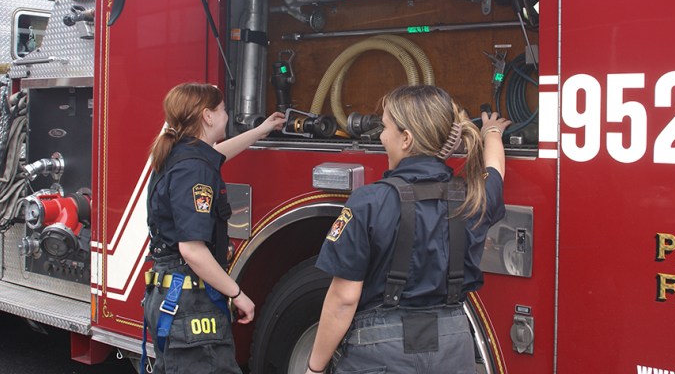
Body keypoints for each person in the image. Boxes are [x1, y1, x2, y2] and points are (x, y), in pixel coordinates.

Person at [305, 85, 510, 374]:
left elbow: (344, 299)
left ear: (406, 139)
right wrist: (491, 132)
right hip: (455, 349)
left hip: (382, 354)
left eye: (385, 126)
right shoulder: (475, 197)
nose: (380, 135)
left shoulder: (369, 202)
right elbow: (495, 168)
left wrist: (314, 368)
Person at [142, 82, 285, 374]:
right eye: (222, 110)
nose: (226, 115)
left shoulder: (180, 154)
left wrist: (262, 130)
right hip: (190, 301)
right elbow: (192, 250)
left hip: (172, 296)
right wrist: (237, 294)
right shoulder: (194, 169)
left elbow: (217, 154)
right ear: (207, 116)